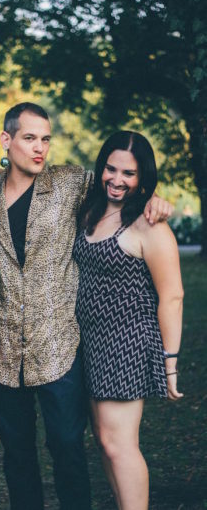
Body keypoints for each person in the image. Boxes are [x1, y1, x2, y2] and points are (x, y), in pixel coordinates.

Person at [0, 103, 173, 510]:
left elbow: (120, 183)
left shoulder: (69, 183)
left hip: (59, 346)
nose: (40, 148)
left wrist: (158, 198)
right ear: (6, 141)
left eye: (46, 139)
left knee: (68, 446)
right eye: (30, 138)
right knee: (19, 455)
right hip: (2, 351)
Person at [73, 130, 184, 510]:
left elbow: (172, 296)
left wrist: (170, 363)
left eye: (129, 174)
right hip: (89, 343)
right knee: (104, 441)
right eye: (111, 168)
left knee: (120, 444)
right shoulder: (91, 208)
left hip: (127, 344)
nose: (117, 180)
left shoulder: (149, 224)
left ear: (143, 178)